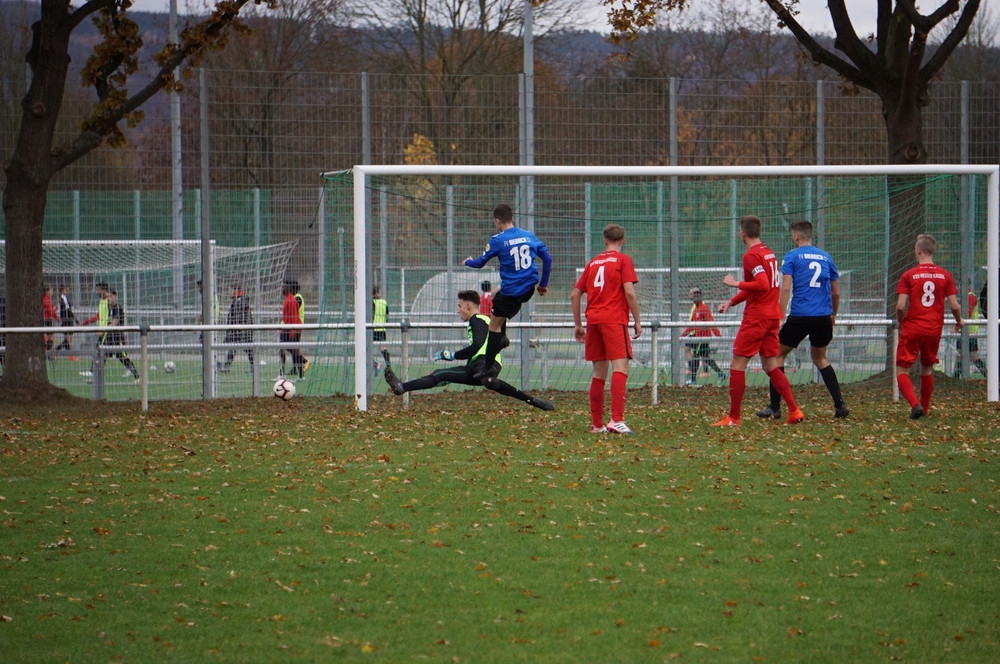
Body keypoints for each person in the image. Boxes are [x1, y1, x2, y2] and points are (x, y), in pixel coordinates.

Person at [383, 290, 554, 411]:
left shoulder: (478, 319)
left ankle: (533, 401)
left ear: (469, 306)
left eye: (460, 306)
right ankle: (401, 387)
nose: (458, 310)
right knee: (440, 375)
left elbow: (478, 346)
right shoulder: (481, 320)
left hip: (484, 364)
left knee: (487, 381)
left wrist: (452, 355)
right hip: (476, 367)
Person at [712, 215, 803, 427]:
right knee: (771, 364)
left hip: (757, 317)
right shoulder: (768, 252)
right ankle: (794, 410)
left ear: (742, 234)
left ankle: (733, 418)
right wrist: (732, 302)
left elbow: (761, 284)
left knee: (737, 364)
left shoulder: (751, 256)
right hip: (771, 316)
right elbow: (761, 286)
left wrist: (736, 283)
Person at [755, 220, 849, 419]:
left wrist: (779, 314)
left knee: (776, 356)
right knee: (821, 358)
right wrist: (834, 314)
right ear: (810, 235)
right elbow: (836, 293)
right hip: (823, 316)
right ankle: (840, 406)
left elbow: (786, 287)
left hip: (801, 315)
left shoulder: (792, 256)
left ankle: (775, 407)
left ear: (796, 236)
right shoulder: (826, 257)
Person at [463, 203, 552, 382]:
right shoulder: (528, 235)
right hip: (529, 288)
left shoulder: (497, 240)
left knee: (492, 326)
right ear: (511, 218)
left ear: (497, 221)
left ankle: (488, 367)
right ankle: (502, 337)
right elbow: (548, 258)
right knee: (495, 294)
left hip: (512, 293)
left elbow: (480, 263)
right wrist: (543, 285)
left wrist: (468, 262)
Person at [571, 224, 642, 434]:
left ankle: (597, 424)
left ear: (604, 240)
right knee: (621, 368)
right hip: (614, 319)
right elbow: (629, 292)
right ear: (623, 240)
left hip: (593, 321)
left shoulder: (593, 263)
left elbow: (575, 294)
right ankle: (616, 420)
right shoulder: (623, 260)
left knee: (599, 373)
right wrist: (637, 319)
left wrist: (578, 324)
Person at [894, 234, 963, 419]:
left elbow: (900, 306)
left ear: (918, 251)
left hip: (913, 326)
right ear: (933, 251)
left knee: (902, 370)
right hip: (933, 328)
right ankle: (924, 408)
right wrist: (959, 320)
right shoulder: (945, 275)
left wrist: (902, 322)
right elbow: (955, 305)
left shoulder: (909, 275)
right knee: (927, 368)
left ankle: (915, 405)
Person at [681, 287, 727, 386]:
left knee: (696, 357)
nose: (695, 297)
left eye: (698, 295)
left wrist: (717, 333)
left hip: (702, 338)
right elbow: (691, 325)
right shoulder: (695, 309)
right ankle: (721, 374)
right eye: (694, 295)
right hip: (698, 337)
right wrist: (683, 335)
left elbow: (710, 321)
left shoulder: (704, 308)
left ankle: (693, 379)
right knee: (705, 358)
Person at [102, 289, 139, 380]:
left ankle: (136, 375)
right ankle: (95, 376)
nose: (109, 299)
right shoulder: (109, 308)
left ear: (115, 296)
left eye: (111, 296)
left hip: (117, 337)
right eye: (108, 297)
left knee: (122, 356)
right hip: (110, 336)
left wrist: (103, 330)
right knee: (102, 354)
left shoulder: (117, 308)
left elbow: (115, 322)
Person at [218, 284, 254, 376]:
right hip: (237, 330)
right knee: (232, 348)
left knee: (248, 349)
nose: (229, 292)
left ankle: (253, 368)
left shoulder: (242, 299)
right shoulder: (237, 300)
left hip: (243, 330)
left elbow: (239, 316)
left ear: (235, 290)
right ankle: (227, 366)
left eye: (230, 290)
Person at [953, 284, 986, 378]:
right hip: (964, 331)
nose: (958, 288)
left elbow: (967, 313)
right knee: (959, 355)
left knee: (972, 356)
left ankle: (987, 374)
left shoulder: (970, 297)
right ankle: (955, 377)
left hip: (969, 331)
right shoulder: (966, 297)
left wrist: (956, 327)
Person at [280, 281, 308, 379]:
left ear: (290, 288)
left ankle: (303, 364)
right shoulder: (290, 299)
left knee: (292, 350)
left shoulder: (296, 299)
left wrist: (292, 330)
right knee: (288, 349)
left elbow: (293, 315)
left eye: (284, 287)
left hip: (293, 328)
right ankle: (293, 370)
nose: (282, 289)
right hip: (287, 328)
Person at [54, 284, 77, 354]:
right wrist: (75, 318)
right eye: (66, 288)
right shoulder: (62, 298)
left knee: (68, 338)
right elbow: (67, 309)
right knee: (68, 338)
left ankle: (59, 350)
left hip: (67, 319)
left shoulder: (64, 297)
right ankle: (57, 350)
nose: (68, 290)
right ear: (62, 290)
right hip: (66, 319)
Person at [42, 284, 60, 351]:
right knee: (50, 338)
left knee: (50, 337)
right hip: (47, 320)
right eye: (51, 290)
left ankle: (47, 351)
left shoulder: (47, 299)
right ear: (47, 291)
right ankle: (47, 352)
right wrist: (58, 318)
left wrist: (55, 308)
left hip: (47, 319)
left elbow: (50, 310)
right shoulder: (46, 299)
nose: (52, 292)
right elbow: (50, 311)